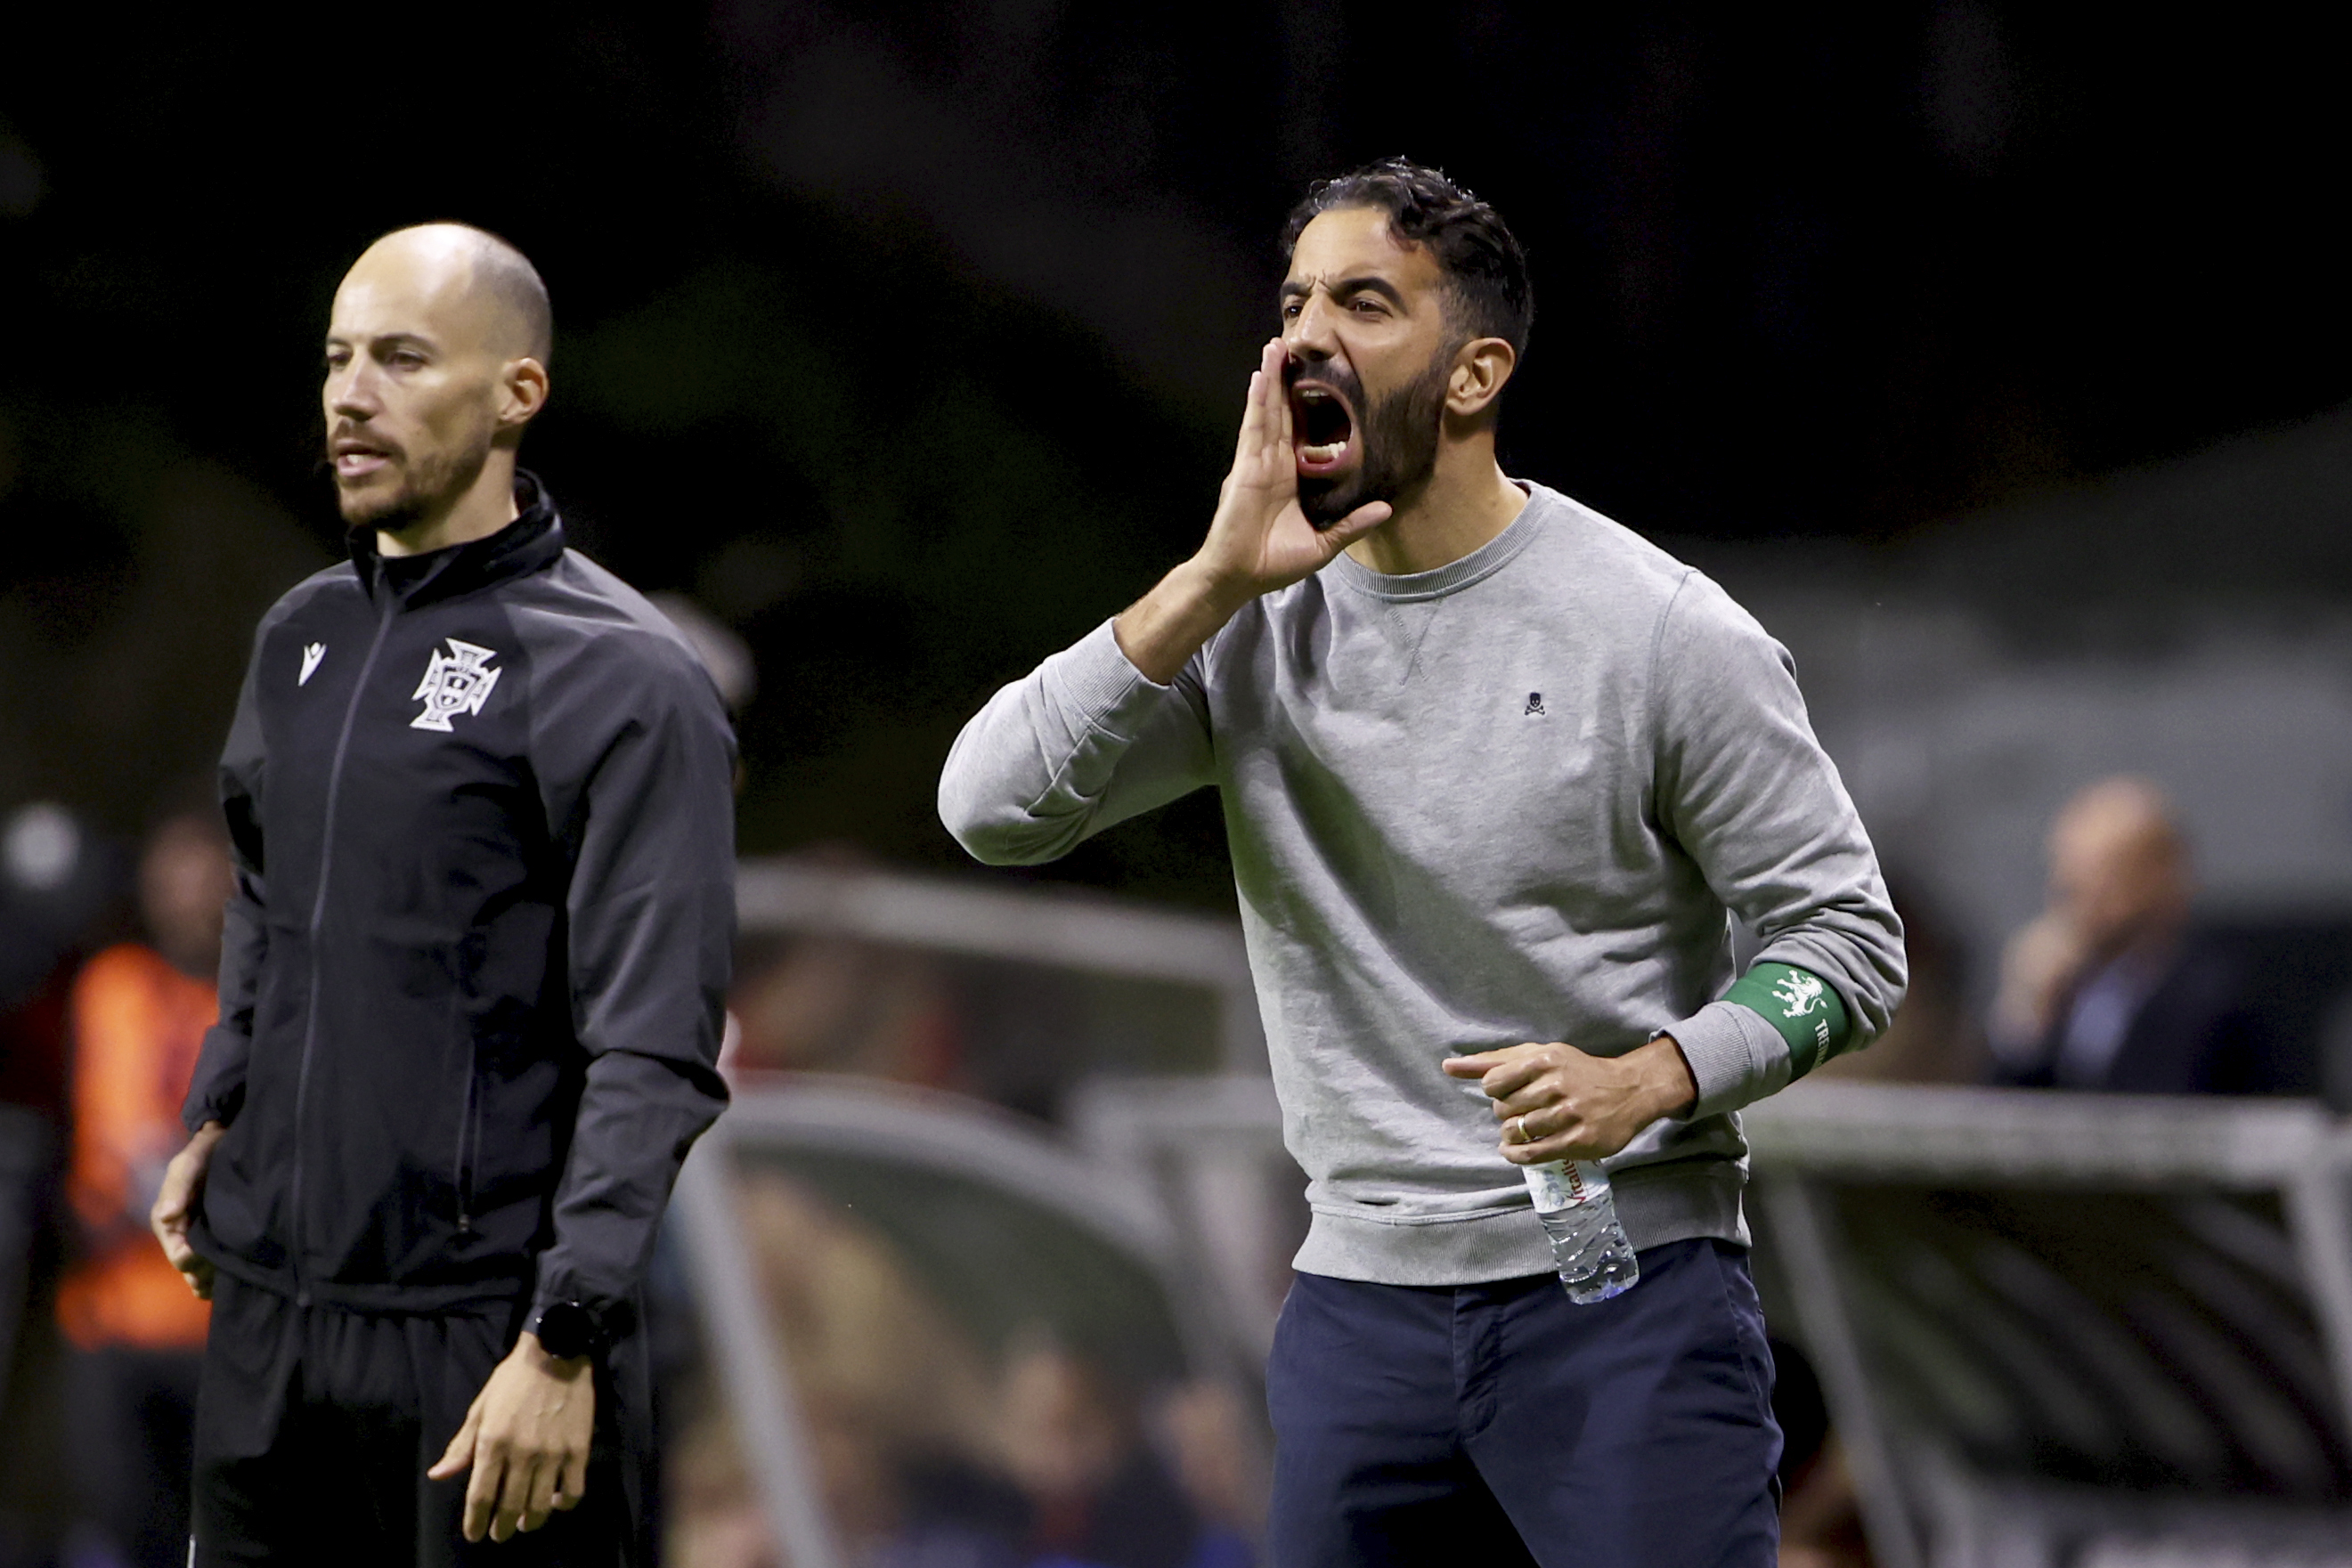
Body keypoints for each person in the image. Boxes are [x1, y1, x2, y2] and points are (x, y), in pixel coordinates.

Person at [938, 158, 1906, 1566]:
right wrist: (1209, 576)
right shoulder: (1252, 618)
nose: (1307, 334)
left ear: (1473, 375)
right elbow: (990, 809)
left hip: (1624, 1300)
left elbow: (1848, 944)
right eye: (1295, 300)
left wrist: (1656, 1073)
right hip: (1356, 1311)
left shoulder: (1663, 635)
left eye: (1366, 301)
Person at [148, 223, 737, 1565]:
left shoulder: (624, 679)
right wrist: (219, 1105)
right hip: (269, 1330)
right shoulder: (299, 633)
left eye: (403, 360)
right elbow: (265, 900)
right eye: (339, 359)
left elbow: (654, 1045)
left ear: (516, 394)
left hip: (490, 1347)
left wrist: (565, 1336)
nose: (352, 394)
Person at [57, 807, 232, 1568]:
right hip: (118, 1320)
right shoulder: (117, 988)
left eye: (205, 874)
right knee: (117, 1536)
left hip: (223, 1340)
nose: (187, 894)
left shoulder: (256, 1010)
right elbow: (121, 1145)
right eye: (173, 873)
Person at [1989, 776, 2257, 1093]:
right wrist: (2025, 1016)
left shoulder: (2213, 998)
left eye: (2101, 874)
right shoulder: (2061, 983)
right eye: (2066, 870)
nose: (2072, 891)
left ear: (2160, 875)